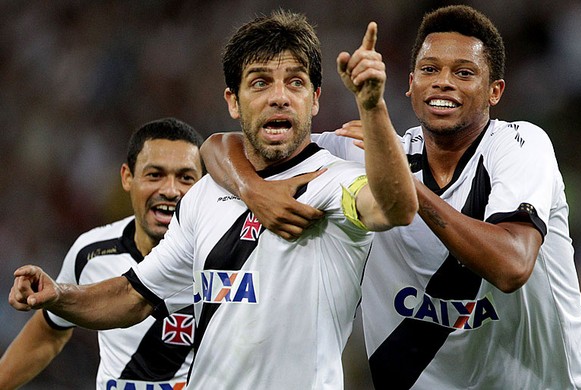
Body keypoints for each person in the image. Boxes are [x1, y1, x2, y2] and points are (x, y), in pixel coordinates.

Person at [199, 5, 581, 390]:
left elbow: (511, 265)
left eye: (465, 73)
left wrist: (405, 184)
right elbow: (223, 145)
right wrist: (251, 188)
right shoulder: (369, 154)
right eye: (430, 69)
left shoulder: (520, 147)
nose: (443, 81)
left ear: (495, 91)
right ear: (411, 85)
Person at [8, 9, 417, 390]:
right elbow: (133, 295)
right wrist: (59, 295)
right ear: (232, 102)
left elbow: (395, 207)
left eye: (295, 82)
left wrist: (371, 105)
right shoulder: (205, 193)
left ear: (315, 99)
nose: (279, 96)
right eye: (260, 82)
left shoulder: (334, 180)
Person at [0, 117, 204, 390]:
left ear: (204, 187)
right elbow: (50, 332)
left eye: (185, 178)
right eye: (155, 174)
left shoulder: (224, 257)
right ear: (127, 178)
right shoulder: (92, 253)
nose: (170, 190)